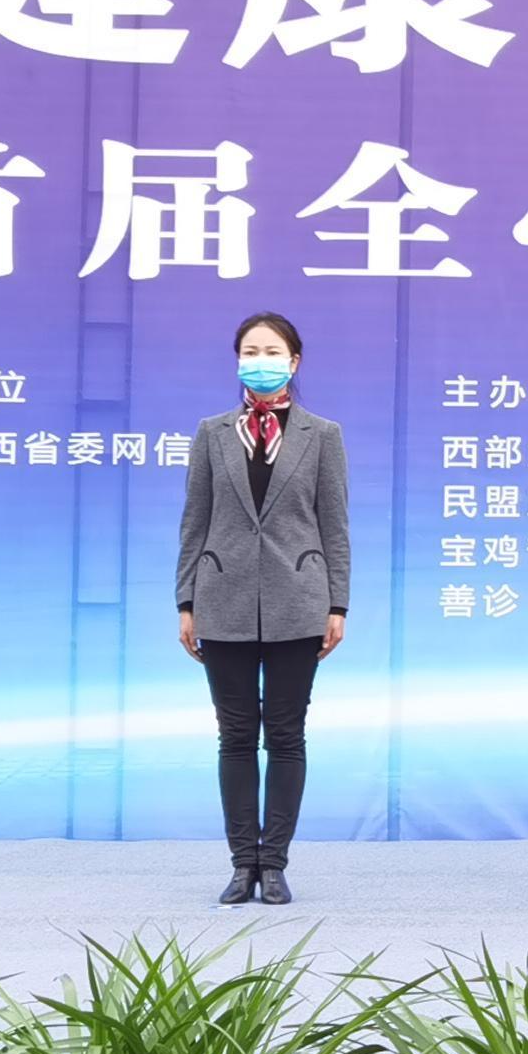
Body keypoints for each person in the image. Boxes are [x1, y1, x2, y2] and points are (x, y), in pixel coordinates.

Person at [174, 312, 350, 908]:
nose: (261, 360)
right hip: (221, 597)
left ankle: (273, 864)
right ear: (237, 360)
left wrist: (337, 603)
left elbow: (335, 525)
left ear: (293, 362)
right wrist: (186, 600)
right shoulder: (212, 433)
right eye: (250, 351)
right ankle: (240, 864)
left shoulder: (322, 435)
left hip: (299, 600)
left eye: (272, 351)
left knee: (286, 734)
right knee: (235, 735)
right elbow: (194, 520)